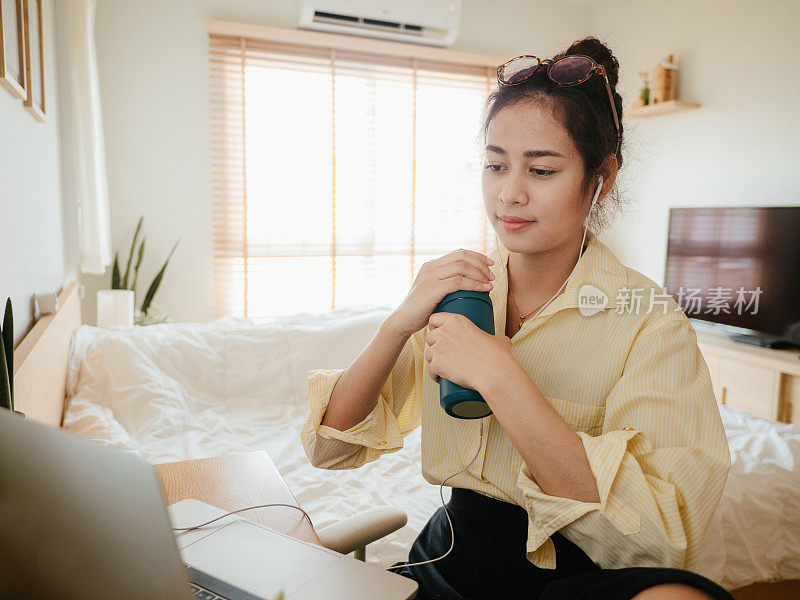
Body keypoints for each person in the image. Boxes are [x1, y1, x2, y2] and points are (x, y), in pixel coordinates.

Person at [300, 36, 733, 600]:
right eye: (495, 165)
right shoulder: (461, 291)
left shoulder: (649, 323)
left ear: (602, 179)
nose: (509, 195)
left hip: (570, 577)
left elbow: (658, 539)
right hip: (446, 564)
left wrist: (502, 377)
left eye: (543, 171)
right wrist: (398, 324)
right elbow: (330, 449)